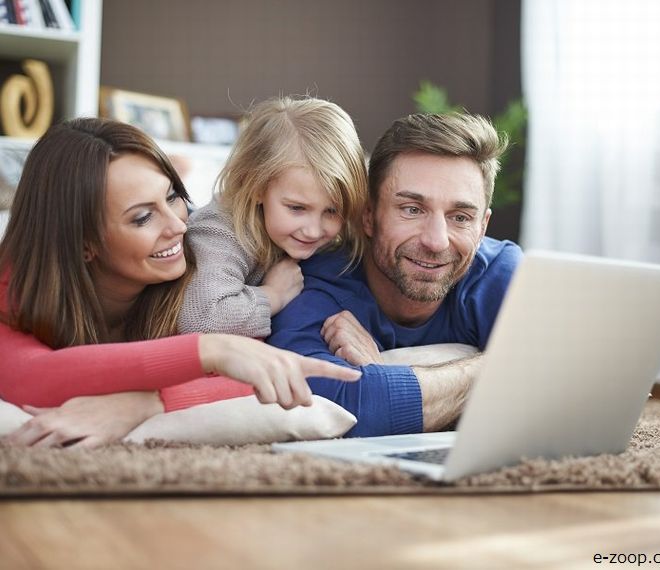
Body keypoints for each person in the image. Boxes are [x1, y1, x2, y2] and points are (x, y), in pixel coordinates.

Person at [0, 118, 360, 447]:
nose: (178, 226)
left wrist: (149, 402)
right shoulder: (16, 282)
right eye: (142, 218)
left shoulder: (206, 270)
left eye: (172, 196)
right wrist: (211, 350)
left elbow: (263, 373)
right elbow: (32, 377)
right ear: (83, 245)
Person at [267, 112, 524, 437]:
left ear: (482, 226)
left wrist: (386, 372)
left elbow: (565, 383)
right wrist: (507, 365)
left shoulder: (498, 273)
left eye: (460, 217)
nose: (436, 240)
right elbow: (335, 409)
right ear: (369, 216)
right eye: (412, 210)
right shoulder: (313, 283)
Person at [178, 96, 367, 337]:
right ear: (255, 185)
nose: (313, 230)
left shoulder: (323, 235)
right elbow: (202, 319)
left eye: (332, 211)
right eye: (297, 208)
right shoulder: (219, 230)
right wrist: (273, 294)